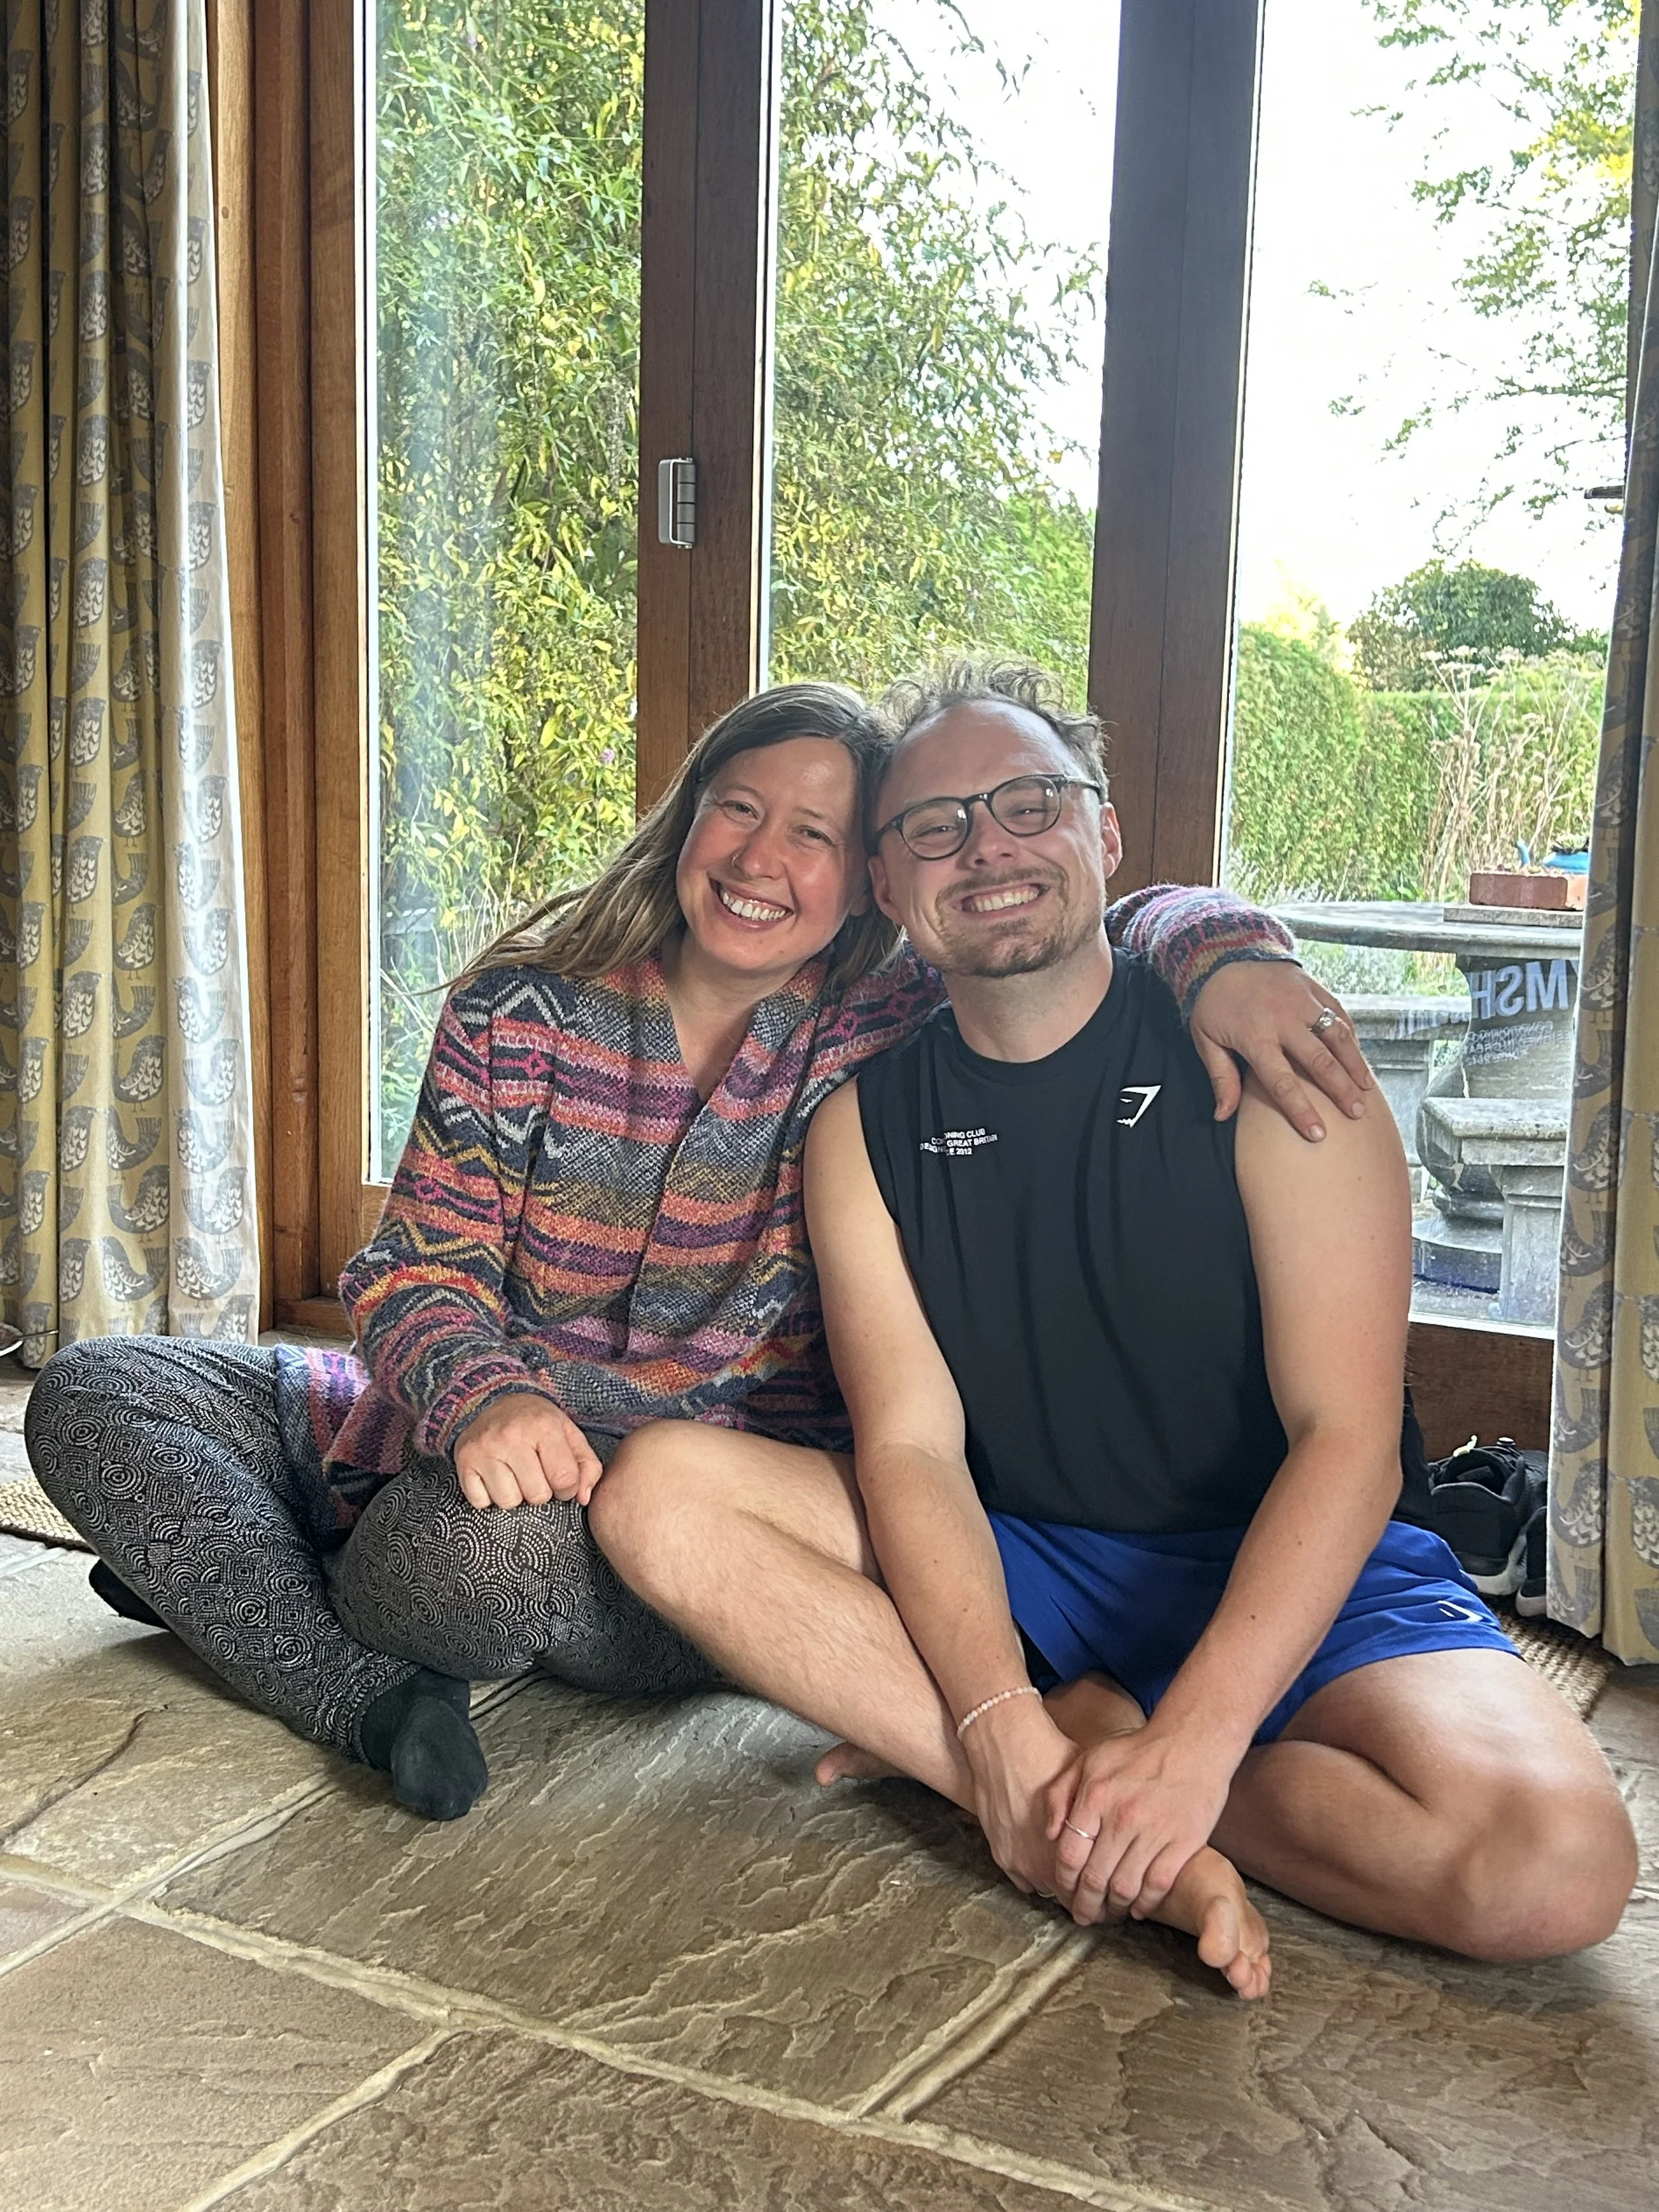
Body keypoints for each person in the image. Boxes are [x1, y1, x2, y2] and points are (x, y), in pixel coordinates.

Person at [27, 681, 1367, 1822]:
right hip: (463, 1429)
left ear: (875, 885)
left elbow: (1069, 920)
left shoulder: (887, 1024)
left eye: (816, 835)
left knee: (467, 1563)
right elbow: (417, 1263)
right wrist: (482, 1392)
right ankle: (351, 1685)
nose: (761, 858)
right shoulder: (524, 1006)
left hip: (668, 1511)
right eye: (739, 809)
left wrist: (1223, 948)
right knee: (92, 1391)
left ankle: (254, 1580)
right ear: (687, 818)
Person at [589, 666, 1638, 1997]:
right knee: (660, 1495)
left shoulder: (1275, 1059)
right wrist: (991, 1716)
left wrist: (1191, 1747)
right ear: (889, 884)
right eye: (935, 825)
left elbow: (1347, 1438)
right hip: (1021, 1563)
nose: (987, 848)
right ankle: (1026, 1778)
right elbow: (912, 1449)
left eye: (1028, 803)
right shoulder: (858, 1124)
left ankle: (1085, 1779)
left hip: (1290, 1556)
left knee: (1553, 1865)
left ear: (1104, 835)